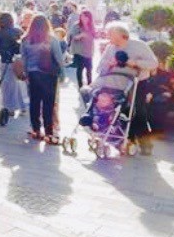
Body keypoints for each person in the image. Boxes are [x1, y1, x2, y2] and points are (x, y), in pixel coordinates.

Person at [95, 21, 160, 152]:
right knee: (120, 110)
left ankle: (145, 143)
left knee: (138, 111)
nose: (107, 36)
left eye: (110, 34)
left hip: (137, 82)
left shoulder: (139, 45)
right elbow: (100, 68)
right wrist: (109, 64)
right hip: (116, 83)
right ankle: (124, 138)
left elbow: (153, 63)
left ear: (120, 35)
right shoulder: (110, 48)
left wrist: (134, 63)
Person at [19, 13, 64, 144]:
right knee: (49, 104)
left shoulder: (25, 40)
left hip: (33, 75)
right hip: (49, 75)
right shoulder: (51, 39)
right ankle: (49, 133)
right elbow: (59, 58)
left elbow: (24, 59)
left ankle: (36, 129)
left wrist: (26, 74)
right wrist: (62, 74)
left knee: (34, 102)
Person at [0, 12, 25, 117]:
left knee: (6, 85)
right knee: (14, 84)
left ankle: (9, 107)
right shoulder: (17, 31)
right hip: (15, 60)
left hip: (4, 60)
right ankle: (21, 106)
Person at [67, 10, 97, 90]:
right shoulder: (76, 25)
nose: (83, 18)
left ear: (89, 18)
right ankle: (80, 87)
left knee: (89, 69)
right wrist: (81, 35)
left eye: (85, 16)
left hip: (89, 51)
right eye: (82, 16)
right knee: (80, 69)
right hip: (79, 51)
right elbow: (73, 36)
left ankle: (90, 86)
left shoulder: (91, 26)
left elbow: (94, 36)